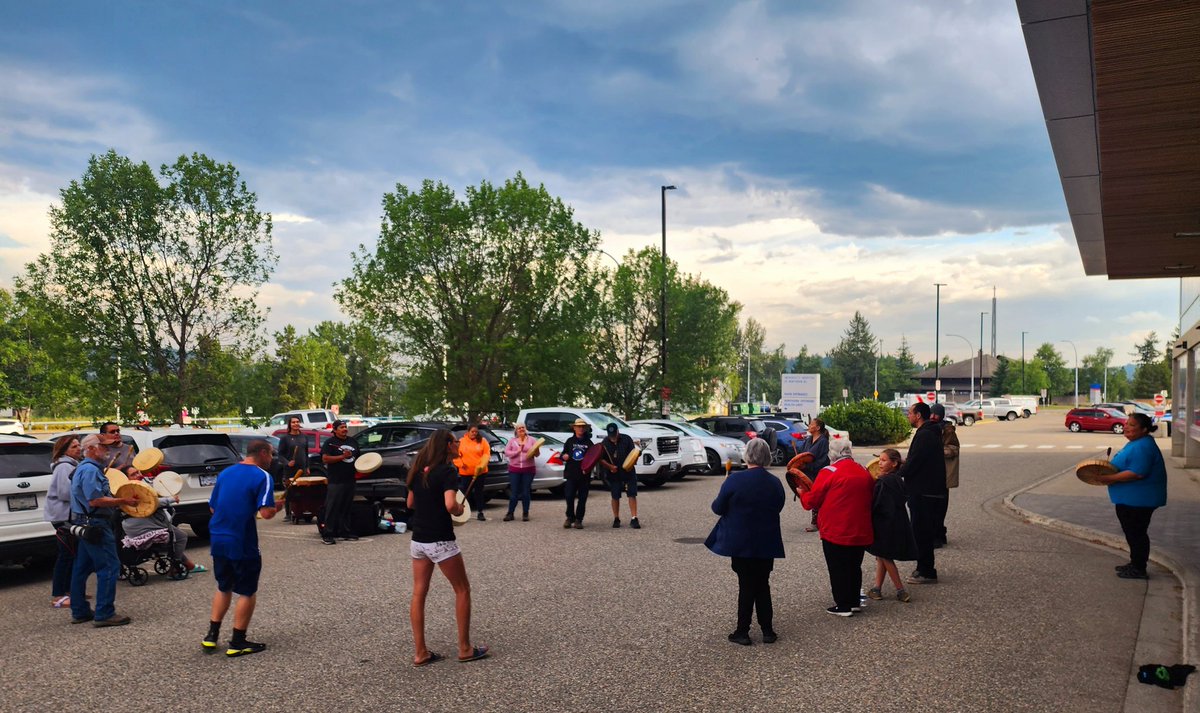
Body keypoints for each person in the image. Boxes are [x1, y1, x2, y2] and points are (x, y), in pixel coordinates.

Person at [407, 428, 489, 665]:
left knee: (419, 593)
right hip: (440, 539)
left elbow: (410, 502)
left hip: (418, 540)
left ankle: (420, 652)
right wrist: (460, 510)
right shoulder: (447, 471)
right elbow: (450, 504)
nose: (458, 445)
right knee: (462, 589)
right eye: (454, 442)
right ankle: (465, 648)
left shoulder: (417, 470)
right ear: (447, 445)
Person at [705, 438, 785, 645]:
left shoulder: (734, 480)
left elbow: (717, 508)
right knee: (762, 584)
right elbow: (778, 506)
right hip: (766, 540)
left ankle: (743, 630)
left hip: (741, 541)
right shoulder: (774, 482)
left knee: (746, 585)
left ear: (747, 455)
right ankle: (767, 630)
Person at [203, 439, 278, 656]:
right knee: (247, 590)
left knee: (223, 586)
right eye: (271, 454)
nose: (272, 459)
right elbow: (266, 512)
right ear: (263, 453)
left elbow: (212, 508)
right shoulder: (262, 476)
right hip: (242, 540)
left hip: (218, 536)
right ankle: (238, 641)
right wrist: (277, 508)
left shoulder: (226, 473)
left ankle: (211, 635)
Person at [68, 434, 139, 627]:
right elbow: (95, 500)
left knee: (81, 568)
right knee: (108, 567)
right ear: (91, 449)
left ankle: (80, 610)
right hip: (96, 524)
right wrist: (124, 500)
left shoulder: (83, 468)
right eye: (104, 446)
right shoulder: (91, 470)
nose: (108, 450)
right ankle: (104, 613)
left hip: (86, 523)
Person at [798, 438, 874, 616]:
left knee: (837, 567)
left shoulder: (829, 471)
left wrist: (802, 493)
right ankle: (854, 600)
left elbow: (813, 501)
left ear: (832, 453)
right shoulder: (863, 470)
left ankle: (843, 604)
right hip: (860, 527)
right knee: (854, 566)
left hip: (836, 528)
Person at [1093, 413, 1167, 580]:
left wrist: (1108, 478)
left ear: (1144, 429)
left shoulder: (1143, 446)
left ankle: (1139, 568)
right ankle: (1135, 563)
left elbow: (1137, 473)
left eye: (1132, 425)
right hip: (1132, 499)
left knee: (1136, 533)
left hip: (1139, 500)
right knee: (1133, 532)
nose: (1126, 427)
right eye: (1126, 423)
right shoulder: (1137, 443)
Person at [896, 402, 947, 585]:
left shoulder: (925, 434)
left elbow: (915, 462)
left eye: (910, 413)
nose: (908, 416)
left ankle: (927, 571)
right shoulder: (928, 432)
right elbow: (918, 460)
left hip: (924, 492)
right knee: (921, 531)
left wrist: (897, 472)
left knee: (922, 532)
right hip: (926, 490)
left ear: (918, 415)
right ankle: (923, 567)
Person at [866, 449, 917, 603]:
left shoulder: (884, 482)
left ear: (893, 463)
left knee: (885, 556)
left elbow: (877, 504)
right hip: (898, 521)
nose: (880, 463)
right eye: (879, 460)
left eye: (884, 460)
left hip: (884, 523)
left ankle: (900, 590)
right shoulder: (898, 479)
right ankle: (877, 588)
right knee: (881, 555)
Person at [121, 494, 207, 575]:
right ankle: (176, 566)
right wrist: (171, 499)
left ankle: (189, 564)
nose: (137, 476)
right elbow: (152, 502)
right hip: (147, 526)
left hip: (132, 528)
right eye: (133, 476)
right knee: (181, 537)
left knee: (174, 537)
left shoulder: (122, 492)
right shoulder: (136, 491)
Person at [46, 436, 80, 609]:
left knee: (73, 553)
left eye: (79, 445)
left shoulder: (71, 465)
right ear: (65, 449)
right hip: (62, 516)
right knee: (66, 554)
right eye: (74, 446)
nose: (78, 448)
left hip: (68, 515)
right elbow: (64, 493)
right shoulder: (64, 466)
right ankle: (58, 594)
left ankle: (69, 590)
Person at [320, 420, 359, 543]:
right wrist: (342, 456)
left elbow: (358, 458)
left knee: (347, 507)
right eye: (341, 427)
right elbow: (325, 459)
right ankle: (328, 534)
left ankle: (345, 531)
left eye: (345, 427)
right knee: (332, 508)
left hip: (350, 479)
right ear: (335, 430)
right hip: (336, 480)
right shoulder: (330, 443)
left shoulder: (352, 441)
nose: (344, 429)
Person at [929, 403, 959, 548]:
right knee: (931, 507)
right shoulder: (928, 428)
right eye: (931, 413)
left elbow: (954, 449)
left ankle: (939, 535)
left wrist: (938, 451)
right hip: (930, 473)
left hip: (942, 474)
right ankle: (936, 533)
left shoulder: (947, 430)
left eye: (936, 414)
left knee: (940, 507)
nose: (933, 417)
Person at [598, 422, 640, 529]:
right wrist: (610, 467)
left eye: (614, 435)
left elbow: (633, 454)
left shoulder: (627, 439)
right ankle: (616, 518)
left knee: (632, 494)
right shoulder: (605, 443)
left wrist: (633, 462)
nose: (613, 438)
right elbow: (601, 459)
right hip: (614, 473)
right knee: (615, 495)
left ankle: (634, 518)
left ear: (618, 431)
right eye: (611, 436)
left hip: (628, 471)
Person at [795, 419, 831, 532]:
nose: (809, 426)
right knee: (812, 496)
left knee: (818, 496)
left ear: (818, 428)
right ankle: (817, 521)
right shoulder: (808, 439)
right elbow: (801, 453)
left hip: (819, 473)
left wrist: (808, 467)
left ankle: (816, 522)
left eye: (811, 424)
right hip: (808, 473)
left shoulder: (823, 441)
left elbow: (824, 460)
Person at [454, 424, 491, 522]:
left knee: (479, 492)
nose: (474, 433)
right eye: (472, 431)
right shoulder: (461, 442)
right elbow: (455, 455)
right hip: (466, 472)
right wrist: (460, 464)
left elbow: (487, 454)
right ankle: (463, 511)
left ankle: (480, 512)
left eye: (476, 432)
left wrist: (482, 465)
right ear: (468, 432)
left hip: (480, 472)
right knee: (465, 493)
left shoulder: (483, 441)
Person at [561, 419, 593, 529]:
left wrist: (589, 468)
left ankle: (579, 519)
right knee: (569, 496)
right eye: (578, 426)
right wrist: (564, 456)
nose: (581, 428)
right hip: (571, 473)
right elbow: (563, 454)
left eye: (582, 427)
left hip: (584, 475)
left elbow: (593, 458)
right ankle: (570, 517)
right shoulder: (569, 441)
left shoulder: (589, 443)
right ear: (574, 428)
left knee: (582, 498)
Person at [502, 423, 537, 522]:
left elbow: (537, 454)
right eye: (519, 428)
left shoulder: (532, 440)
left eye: (523, 427)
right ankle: (510, 513)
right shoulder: (512, 441)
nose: (521, 429)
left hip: (528, 469)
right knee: (514, 493)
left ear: (526, 429)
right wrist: (517, 452)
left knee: (526, 492)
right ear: (516, 431)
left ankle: (525, 513)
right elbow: (507, 453)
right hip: (515, 469)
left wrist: (536, 450)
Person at [276, 416, 311, 483]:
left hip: (302, 470)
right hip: (290, 471)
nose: (296, 424)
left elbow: (306, 453)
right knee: (291, 491)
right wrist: (287, 463)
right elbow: (280, 455)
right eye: (293, 422)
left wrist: (307, 467)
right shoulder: (285, 438)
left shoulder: (304, 437)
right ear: (290, 424)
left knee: (303, 491)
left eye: (297, 422)